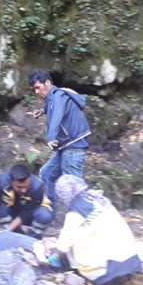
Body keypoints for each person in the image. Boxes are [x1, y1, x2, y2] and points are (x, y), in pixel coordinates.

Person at [48, 175, 141, 285]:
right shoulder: (99, 199)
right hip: (130, 261)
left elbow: (64, 243)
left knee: (73, 239)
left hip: (105, 272)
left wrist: (55, 255)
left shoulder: (76, 210)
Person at [28, 70, 91, 209]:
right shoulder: (53, 97)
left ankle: (87, 217)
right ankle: (49, 210)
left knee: (75, 189)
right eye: (34, 89)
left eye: (38, 87)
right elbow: (52, 106)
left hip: (73, 147)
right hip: (66, 147)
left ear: (48, 83)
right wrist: (43, 111)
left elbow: (57, 114)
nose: (37, 91)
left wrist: (51, 136)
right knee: (46, 174)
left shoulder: (59, 96)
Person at [0, 163, 54, 245]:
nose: (24, 190)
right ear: (11, 182)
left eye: (26, 186)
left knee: (44, 215)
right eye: (19, 187)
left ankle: (33, 238)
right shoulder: (2, 182)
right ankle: (16, 234)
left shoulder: (38, 187)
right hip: (14, 210)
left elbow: (26, 214)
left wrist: (7, 231)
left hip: (31, 215)